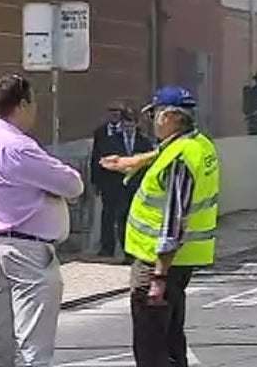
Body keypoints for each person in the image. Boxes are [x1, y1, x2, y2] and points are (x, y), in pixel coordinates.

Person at [100, 86, 220, 367]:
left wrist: (158, 276)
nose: (151, 120)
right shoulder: (199, 144)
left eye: (154, 114)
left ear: (169, 117)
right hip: (182, 261)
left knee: (151, 347)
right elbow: (163, 152)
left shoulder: (180, 159)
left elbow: (174, 220)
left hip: (159, 261)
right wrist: (134, 161)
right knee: (171, 340)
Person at [0, 73, 84, 367]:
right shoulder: (18, 146)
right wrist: (51, 192)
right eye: (33, 104)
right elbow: (72, 185)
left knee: (4, 343)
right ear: (22, 105)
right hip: (29, 253)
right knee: (33, 347)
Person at [91, 101, 129, 257]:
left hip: (123, 179)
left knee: (123, 214)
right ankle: (107, 247)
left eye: (117, 112)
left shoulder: (127, 132)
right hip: (106, 180)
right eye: (111, 111)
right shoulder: (100, 132)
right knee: (107, 215)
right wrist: (95, 180)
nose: (114, 115)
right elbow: (95, 157)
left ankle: (126, 248)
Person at [117, 107, 155, 259]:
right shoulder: (115, 139)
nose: (128, 128)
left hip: (138, 187)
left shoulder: (144, 142)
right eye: (126, 125)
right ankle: (126, 252)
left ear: (136, 125)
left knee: (137, 219)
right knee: (121, 219)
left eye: (131, 125)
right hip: (119, 188)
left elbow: (149, 165)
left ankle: (135, 251)